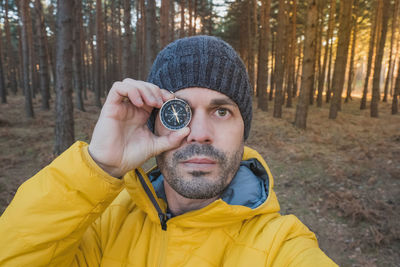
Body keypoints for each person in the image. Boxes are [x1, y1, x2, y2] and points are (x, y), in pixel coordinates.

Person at [0, 35, 337, 266]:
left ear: (243, 131)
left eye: (222, 111)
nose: (200, 134)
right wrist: (98, 166)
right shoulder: (100, 224)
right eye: (180, 112)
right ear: (154, 122)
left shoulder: (281, 246)